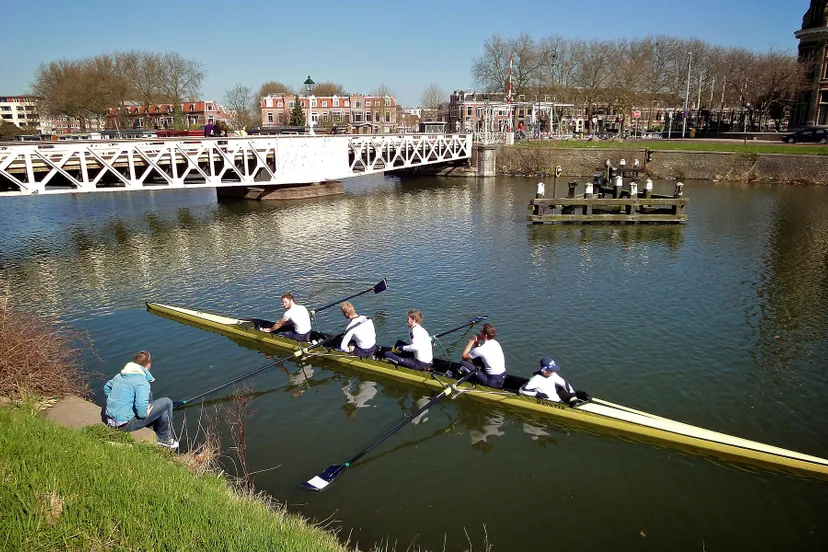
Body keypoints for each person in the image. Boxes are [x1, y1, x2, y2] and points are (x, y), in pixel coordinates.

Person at [103, 350, 178, 449]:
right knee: (167, 402)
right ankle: (164, 439)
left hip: (110, 420)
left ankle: (155, 426)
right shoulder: (141, 382)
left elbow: (106, 388)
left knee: (149, 395)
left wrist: (116, 401)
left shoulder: (119, 375)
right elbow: (141, 406)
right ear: (148, 364)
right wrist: (144, 414)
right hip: (125, 425)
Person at [519, 358, 589, 404]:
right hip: (549, 402)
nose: (554, 372)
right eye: (552, 370)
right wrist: (537, 394)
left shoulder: (553, 375)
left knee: (578, 394)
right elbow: (522, 390)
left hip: (558, 401)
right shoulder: (536, 379)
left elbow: (565, 384)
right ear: (544, 371)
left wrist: (573, 395)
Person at [459, 323, 506, 388]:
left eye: (481, 331)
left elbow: (464, 356)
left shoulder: (482, 349)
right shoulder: (495, 342)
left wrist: (471, 341)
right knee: (475, 358)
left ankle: (469, 379)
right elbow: (478, 353)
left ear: (485, 335)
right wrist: (476, 342)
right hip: (502, 378)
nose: (479, 332)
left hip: (492, 382)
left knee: (463, 363)